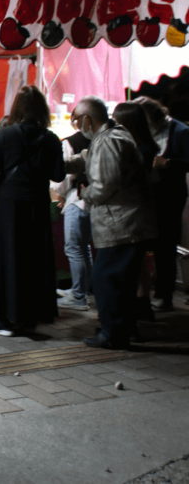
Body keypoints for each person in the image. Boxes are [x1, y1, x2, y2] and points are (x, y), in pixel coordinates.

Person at [0, 86, 63, 337]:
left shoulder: (6, 134)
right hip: (38, 204)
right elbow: (58, 174)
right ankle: (30, 316)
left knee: (7, 259)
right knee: (34, 259)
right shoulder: (51, 138)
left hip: (8, 205)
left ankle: (4, 319)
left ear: (16, 108)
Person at [69, 96, 156, 349]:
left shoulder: (108, 140)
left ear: (87, 119)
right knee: (121, 282)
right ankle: (122, 327)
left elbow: (106, 185)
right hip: (126, 222)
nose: (77, 126)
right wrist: (62, 165)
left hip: (121, 224)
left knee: (108, 280)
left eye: (76, 120)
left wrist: (85, 193)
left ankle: (113, 334)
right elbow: (88, 157)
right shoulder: (111, 136)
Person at [135, 96, 189, 312]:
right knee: (145, 244)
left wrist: (169, 163)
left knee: (165, 246)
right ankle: (143, 295)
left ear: (154, 117)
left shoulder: (181, 131)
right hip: (145, 195)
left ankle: (164, 295)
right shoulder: (142, 131)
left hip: (170, 197)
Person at [112, 101, 160, 324]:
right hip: (145, 208)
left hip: (132, 210)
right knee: (140, 263)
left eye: (116, 120)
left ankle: (133, 312)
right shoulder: (147, 145)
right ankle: (144, 307)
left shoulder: (132, 148)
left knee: (131, 263)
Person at [53, 127, 93, 311]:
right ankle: (83, 290)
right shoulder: (97, 140)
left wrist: (60, 193)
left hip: (76, 200)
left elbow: (63, 176)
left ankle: (78, 295)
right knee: (83, 247)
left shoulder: (69, 142)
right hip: (89, 202)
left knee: (74, 247)